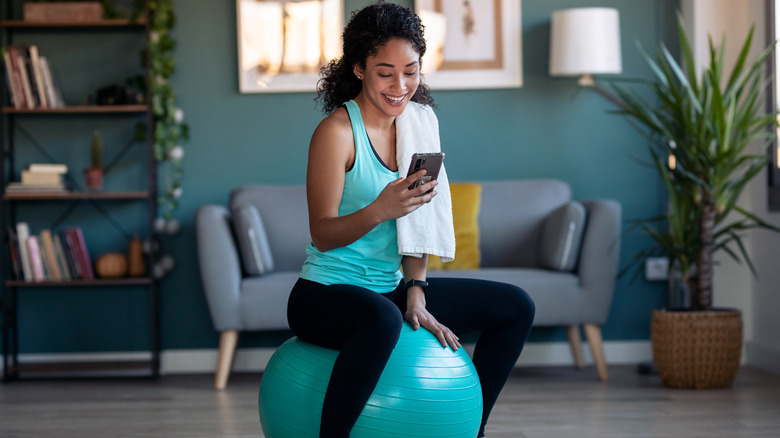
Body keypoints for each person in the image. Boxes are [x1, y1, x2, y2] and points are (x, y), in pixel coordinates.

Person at [286, 2, 535, 437]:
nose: (400, 86)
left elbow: (420, 221)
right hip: (323, 294)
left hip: (390, 290)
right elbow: (322, 234)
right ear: (359, 68)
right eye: (385, 72)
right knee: (381, 319)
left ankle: (472, 429)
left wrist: (416, 291)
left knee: (516, 306)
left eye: (411, 70)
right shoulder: (337, 133)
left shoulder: (419, 123)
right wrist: (380, 209)